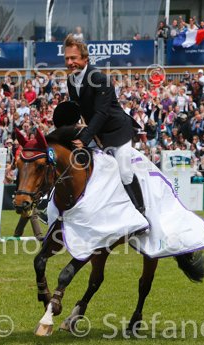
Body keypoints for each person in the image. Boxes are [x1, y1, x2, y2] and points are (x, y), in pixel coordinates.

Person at [63, 34, 146, 216]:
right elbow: (77, 110)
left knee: (124, 171)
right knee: (72, 161)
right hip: (97, 132)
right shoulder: (71, 81)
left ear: (85, 59)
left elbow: (101, 113)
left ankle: (141, 213)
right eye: (67, 58)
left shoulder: (99, 78)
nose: (69, 62)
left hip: (117, 131)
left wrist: (84, 139)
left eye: (73, 58)